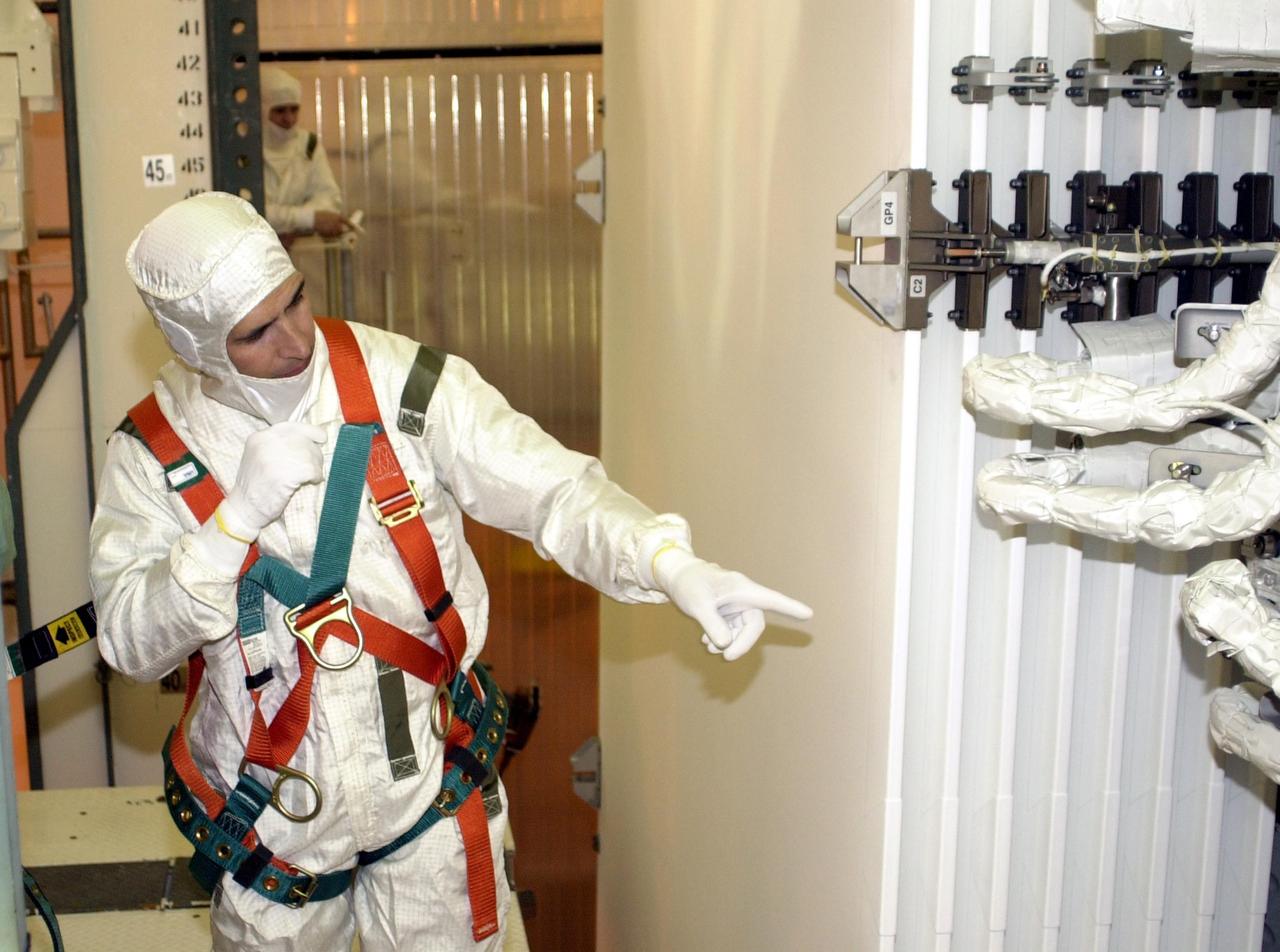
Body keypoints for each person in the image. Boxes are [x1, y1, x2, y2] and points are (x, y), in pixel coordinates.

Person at [89, 192, 812, 951]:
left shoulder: (401, 384)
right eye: (256, 333)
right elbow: (131, 644)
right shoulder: (154, 454)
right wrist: (230, 524)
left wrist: (669, 563)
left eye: (296, 299)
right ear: (197, 345)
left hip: (428, 789)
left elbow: (554, 490)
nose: (296, 340)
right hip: (271, 816)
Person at [260, 65, 349, 247]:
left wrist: (290, 226)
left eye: (294, 109)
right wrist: (307, 219)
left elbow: (329, 200)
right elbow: (251, 212)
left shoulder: (309, 145)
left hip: (300, 255)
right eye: (280, 110)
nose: (289, 119)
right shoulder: (244, 153)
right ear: (262, 110)